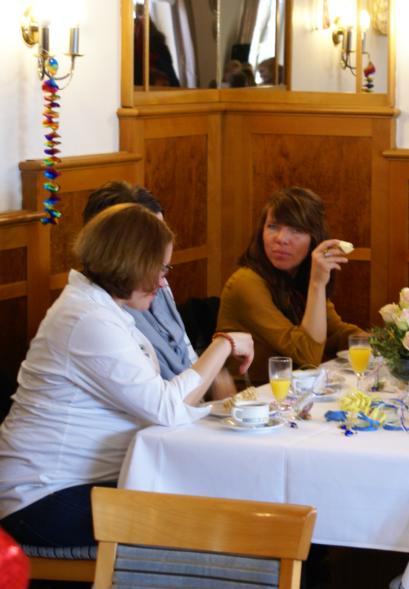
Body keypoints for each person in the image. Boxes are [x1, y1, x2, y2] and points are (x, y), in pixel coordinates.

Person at [0, 204, 254, 547]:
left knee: (221, 494)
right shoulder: (87, 318)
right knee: (202, 522)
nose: (163, 281)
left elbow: (163, 402)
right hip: (42, 497)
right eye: (160, 268)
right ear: (130, 263)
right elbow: (168, 408)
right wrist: (223, 344)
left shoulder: (103, 309)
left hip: (82, 483)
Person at [82, 181, 235, 400]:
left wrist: (212, 378)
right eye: (151, 242)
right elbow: (162, 406)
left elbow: (186, 353)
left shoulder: (157, 283)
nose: (161, 278)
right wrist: (222, 347)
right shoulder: (100, 315)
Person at [217, 187, 364, 384]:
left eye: (296, 230)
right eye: (272, 227)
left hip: (293, 393)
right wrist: (317, 284)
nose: (281, 239)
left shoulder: (298, 275)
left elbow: (335, 332)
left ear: (315, 239)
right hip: (252, 398)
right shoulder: (245, 282)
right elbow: (307, 356)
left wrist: (383, 344)